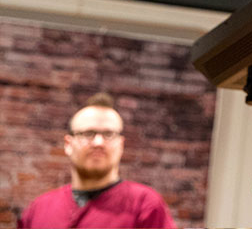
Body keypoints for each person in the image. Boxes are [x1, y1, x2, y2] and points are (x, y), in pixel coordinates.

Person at [19, 93, 176, 229]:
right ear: (68, 144)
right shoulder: (39, 209)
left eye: (109, 134)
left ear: (121, 144)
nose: (98, 143)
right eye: (88, 133)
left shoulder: (145, 205)